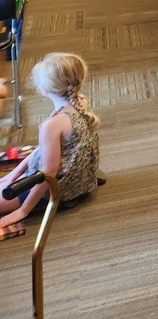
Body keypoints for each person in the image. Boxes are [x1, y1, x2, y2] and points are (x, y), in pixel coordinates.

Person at [0, 52, 101, 238]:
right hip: (80, 181)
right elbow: (44, 149)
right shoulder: (81, 102)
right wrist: (13, 175)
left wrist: (23, 210)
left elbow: (47, 174)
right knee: (4, 183)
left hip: (58, 190)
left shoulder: (51, 125)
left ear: (45, 89)